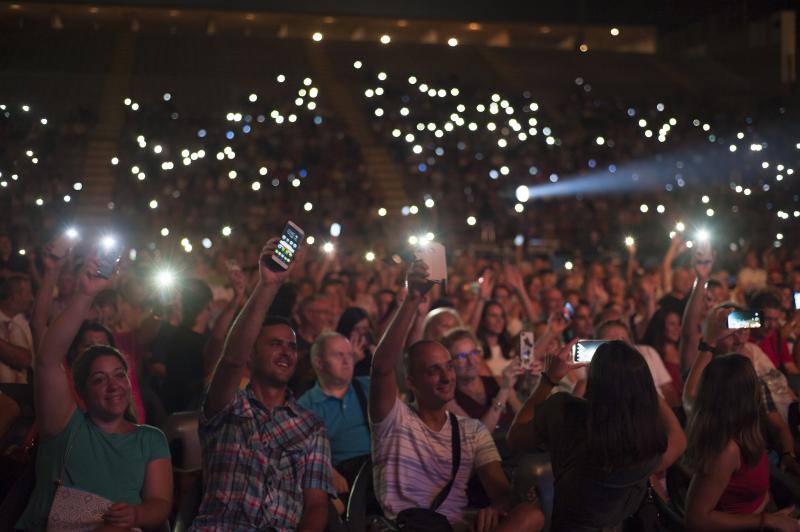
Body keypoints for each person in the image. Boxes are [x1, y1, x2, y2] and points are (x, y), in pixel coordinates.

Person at [369, 260, 544, 532]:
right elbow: (381, 368)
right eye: (433, 371)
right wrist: (412, 300)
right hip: (407, 527)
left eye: (449, 366)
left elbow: (500, 493)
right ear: (412, 382)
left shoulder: (471, 431)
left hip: (454, 527)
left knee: (531, 515)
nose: (447, 377)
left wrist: (498, 507)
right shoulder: (394, 419)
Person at [16, 255, 172, 531]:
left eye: (119, 375)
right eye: (99, 379)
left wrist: (136, 515)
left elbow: (159, 503)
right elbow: (48, 360)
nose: (113, 386)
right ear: (81, 390)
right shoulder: (63, 425)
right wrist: (85, 295)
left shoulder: (150, 439)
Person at [191, 239, 333, 531]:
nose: (286, 352)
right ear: (252, 355)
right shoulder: (226, 406)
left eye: (292, 347)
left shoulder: (310, 426)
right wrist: (266, 285)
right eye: (275, 344)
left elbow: (317, 505)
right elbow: (230, 360)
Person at [507, 340, 686, 531]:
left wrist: (548, 380)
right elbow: (679, 441)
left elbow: (515, 438)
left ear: (595, 378)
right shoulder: (644, 442)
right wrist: (638, 382)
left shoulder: (564, 412)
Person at [684, 354, 799, 531]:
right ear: (746, 394)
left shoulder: (744, 430)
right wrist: (767, 520)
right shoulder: (726, 449)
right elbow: (696, 518)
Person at [298, 331, 370, 493]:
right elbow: (301, 452)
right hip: (344, 479)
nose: (347, 361)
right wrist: (327, 469)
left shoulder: (368, 387)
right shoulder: (306, 406)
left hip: (380, 468)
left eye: (350, 355)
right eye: (338, 355)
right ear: (319, 363)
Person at [442, 327, 522, 438]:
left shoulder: (499, 381)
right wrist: (503, 391)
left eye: (474, 353)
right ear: (449, 363)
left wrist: (536, 382)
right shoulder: (448, 399)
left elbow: (526, 419)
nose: (471, 361)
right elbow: (479, 437)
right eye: (462, 356)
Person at [150, 278, 213, 414]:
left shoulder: (210, 336)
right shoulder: (175, 335)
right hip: (180, 405)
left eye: (180, 300)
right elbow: (157, 364)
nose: (176, 304)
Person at [596, 319, 682, 407]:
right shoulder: (597, 371)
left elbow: (668, 389)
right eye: (612, 340)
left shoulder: (646, 352)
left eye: (623, 339)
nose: (620, 345)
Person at [291, 294, 335, 396]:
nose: (330, 318)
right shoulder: (292, 341)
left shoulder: (331, 340)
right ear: (308, 315)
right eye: (325, 313)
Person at [749, 291, 799, 376]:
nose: (772, 326)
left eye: (775, 320)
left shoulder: (776, 336)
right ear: (753, 316)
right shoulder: (741, 339)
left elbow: (789, 366)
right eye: (767, 319)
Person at [641, 307, 685, 397]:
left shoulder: (684, 350)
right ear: (660, 326)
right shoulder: (651, 354)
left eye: (679, 324)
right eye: (672, 324)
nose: (677, 328)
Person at [0, 274, 34, 384]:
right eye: (28, 293)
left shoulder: (24, 323)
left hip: (21, 392)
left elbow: (24, 360)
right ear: (15, 296)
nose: (31, 298)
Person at [476, 301, 514, 377]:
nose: (499, 320)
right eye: (493, 316)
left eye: (502, 316)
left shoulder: (510, 347)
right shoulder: (477, 348)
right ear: (483, 319)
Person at [336, 306, 375, 376]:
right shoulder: (336, 350)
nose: (361, 334)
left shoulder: (370, 351)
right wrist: (353, 360)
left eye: (365, 329)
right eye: (356, 329)